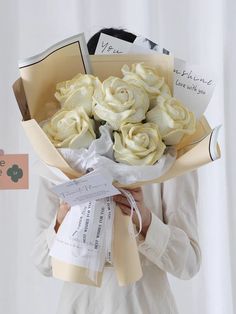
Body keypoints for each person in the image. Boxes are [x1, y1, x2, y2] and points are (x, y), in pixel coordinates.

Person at [31, 28, 201, 314]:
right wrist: (62, 219)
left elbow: (189, 264)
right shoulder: (62, 155)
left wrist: (146, 222)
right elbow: (41, 262)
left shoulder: (170, 159)